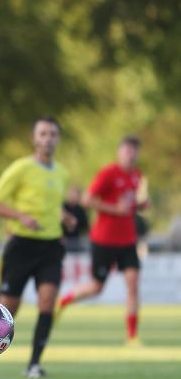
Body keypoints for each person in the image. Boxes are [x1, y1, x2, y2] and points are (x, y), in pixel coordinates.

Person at [0, 117, 76, 378]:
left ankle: (34, 364)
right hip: (22, 245)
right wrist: (20, 217)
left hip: (51, 247)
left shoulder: (61, 173)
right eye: (43, 134)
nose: (48, 138)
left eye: (53, 134)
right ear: (35, 139)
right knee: (9, 309)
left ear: (58, 139)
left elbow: (51, 204)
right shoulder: (21, 168)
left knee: (48, 302)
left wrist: (64, 216)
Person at [58, 136, 147, 343]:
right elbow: (86, 199)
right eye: (126, 151)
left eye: (134, 151)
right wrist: (115, 209)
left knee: (133, 284)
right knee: (97, 287)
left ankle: (132, 336)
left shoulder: (137, 176)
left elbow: (131, 205)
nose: (130, 155)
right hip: (104, 239)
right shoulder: (108, 173)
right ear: (119, 152)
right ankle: (64, 300)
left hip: (128, 240)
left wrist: (140, 206)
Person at [61, 185, 89, 252]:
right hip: (61, 240)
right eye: (71, 194)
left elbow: (85, 227)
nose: (73, 196)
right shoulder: (62, 207)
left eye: (75, 195)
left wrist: (75, 224)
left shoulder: (81, 210)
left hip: (76, 241)